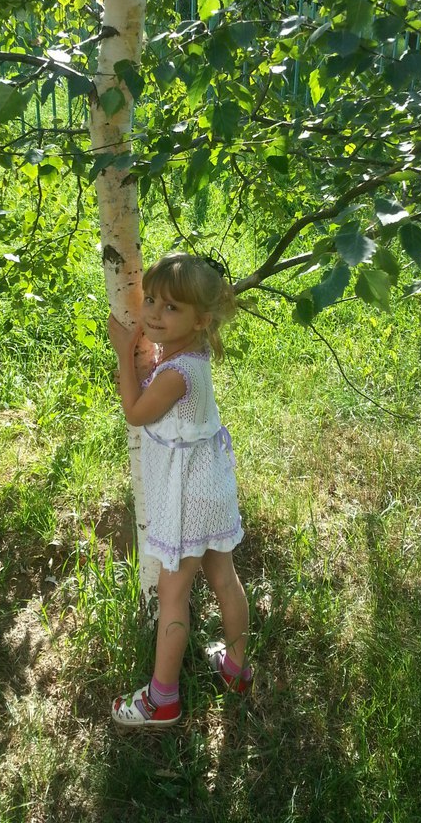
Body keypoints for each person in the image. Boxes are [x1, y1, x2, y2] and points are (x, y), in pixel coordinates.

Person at [107, 253, 251, 728]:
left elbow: (135, 411)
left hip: (187, 496)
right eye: (150, 300)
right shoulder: (193, 354)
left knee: (173, 593)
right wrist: (148, 350)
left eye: (170, 308)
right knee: (223, 577)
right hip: (211, 486)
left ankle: (161, 700)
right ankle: (236, 669)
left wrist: (123, 352)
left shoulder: (175, 375)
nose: (152, 314)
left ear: (201, 319)